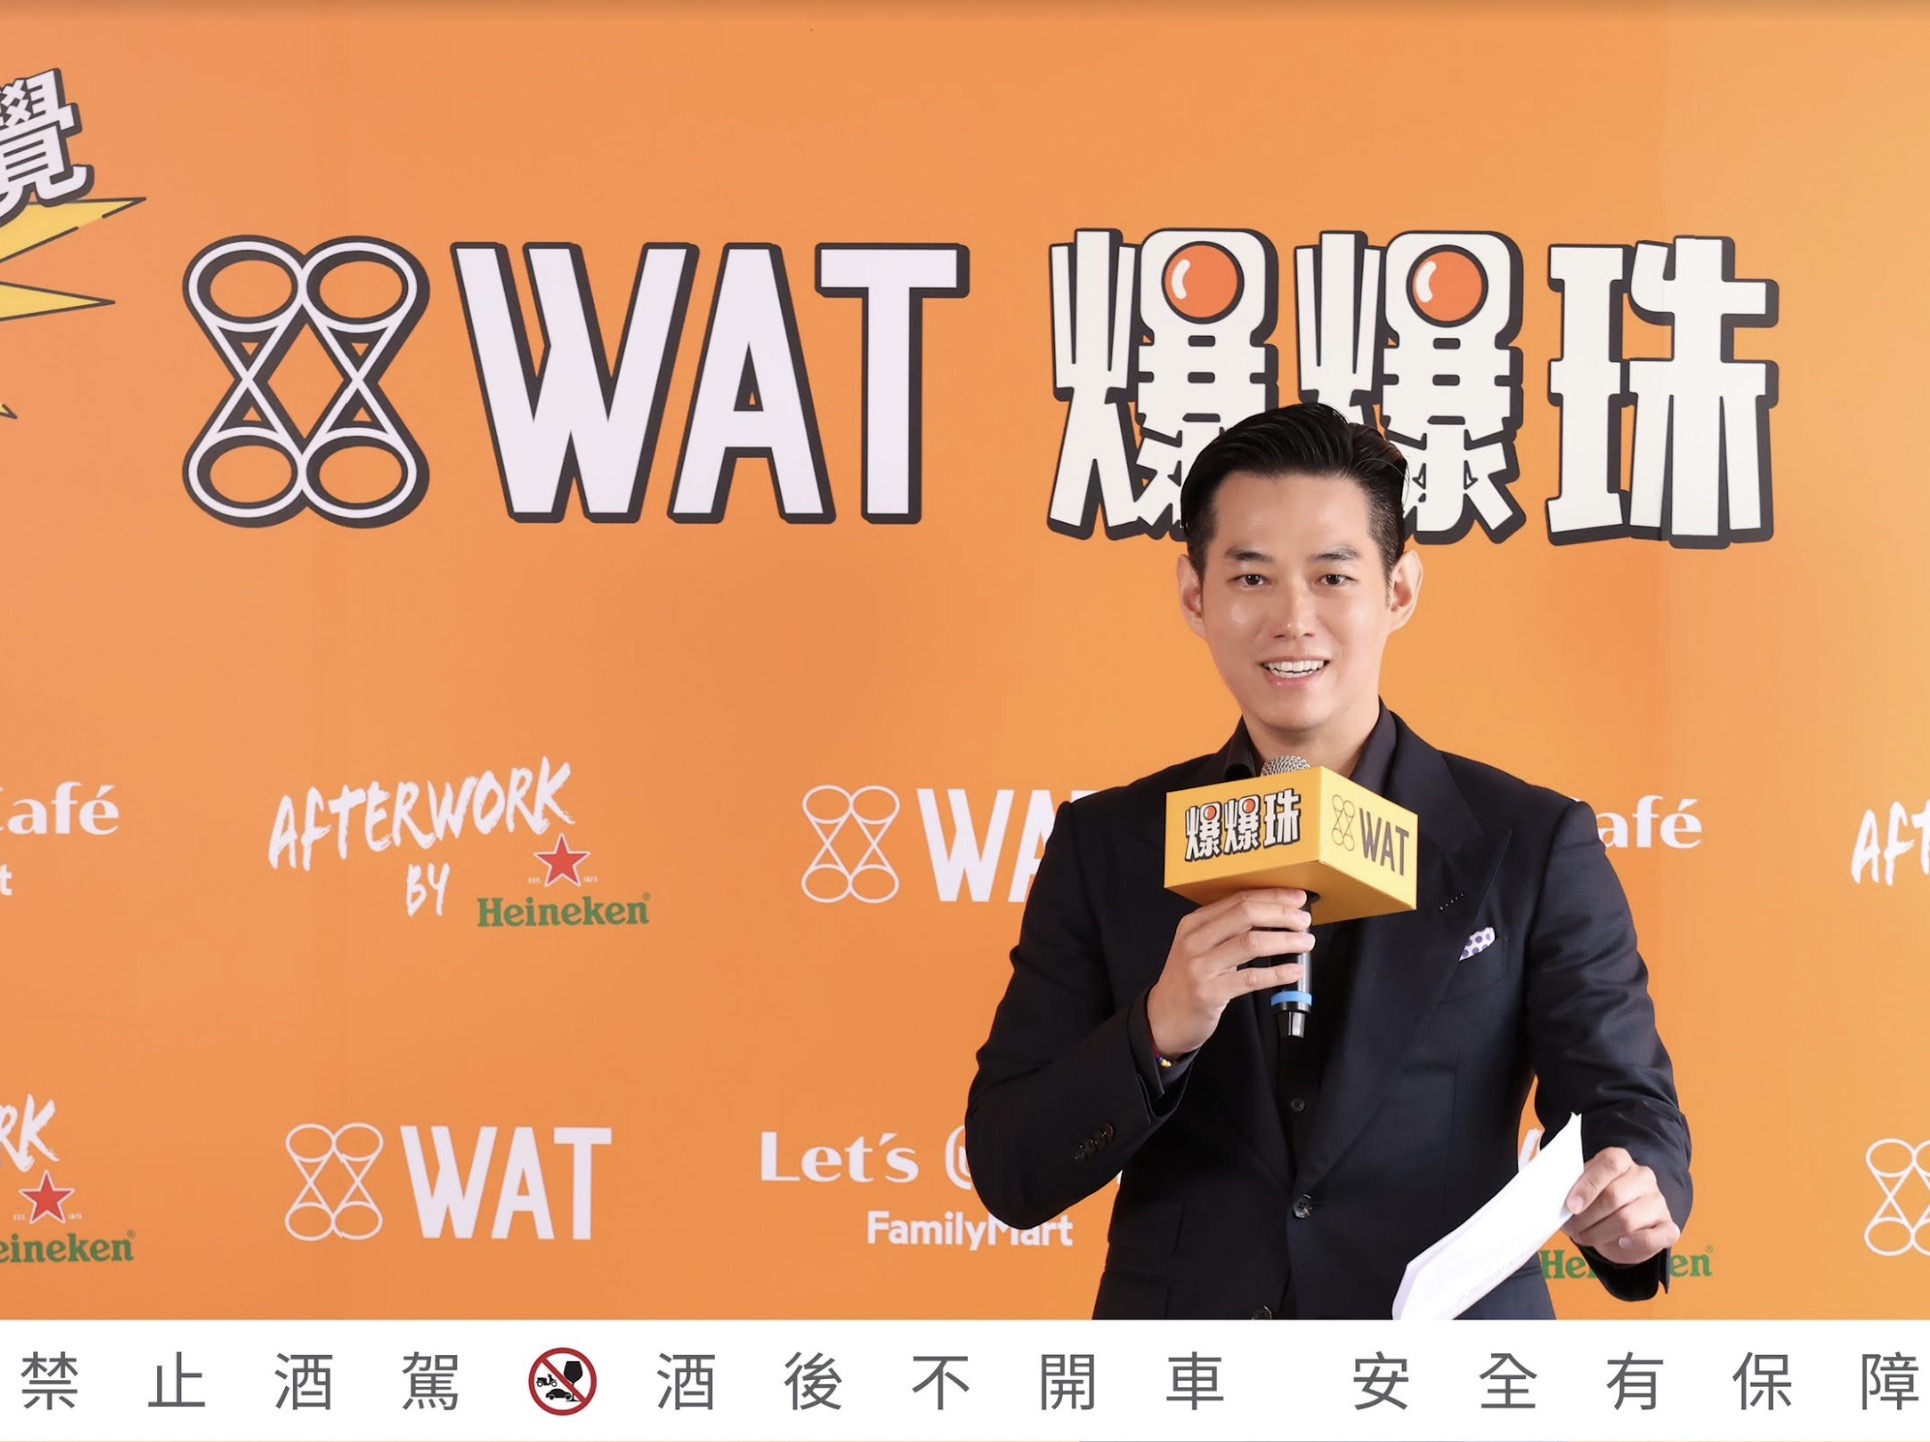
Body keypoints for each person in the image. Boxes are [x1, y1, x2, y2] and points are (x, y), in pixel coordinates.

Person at [963, 403, 1691, 1320]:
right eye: (1252, 577)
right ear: (1195, 595)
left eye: (1333, 576)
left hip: (1442, 1362)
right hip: (1188, 1370)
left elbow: (1624, 1104)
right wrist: (1160, 1028)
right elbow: (1011, 1167)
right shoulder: (1108, 843)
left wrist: (1632, 1195)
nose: (1293, 620)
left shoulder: (1530, 840)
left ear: (1399, 591)